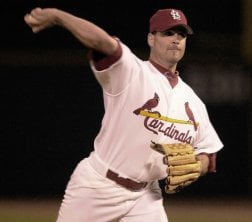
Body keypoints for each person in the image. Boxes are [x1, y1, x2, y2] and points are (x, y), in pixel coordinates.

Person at [24, 7, 223, 222]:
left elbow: (207, 153)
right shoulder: (131, 71)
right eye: (168, 33)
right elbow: (103, 43)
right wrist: (57, 16)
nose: (176, 39)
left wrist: (197, 165)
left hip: (146, 197)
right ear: (151, 39)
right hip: (98, 186)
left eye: (181, 34)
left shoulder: (193, 101)